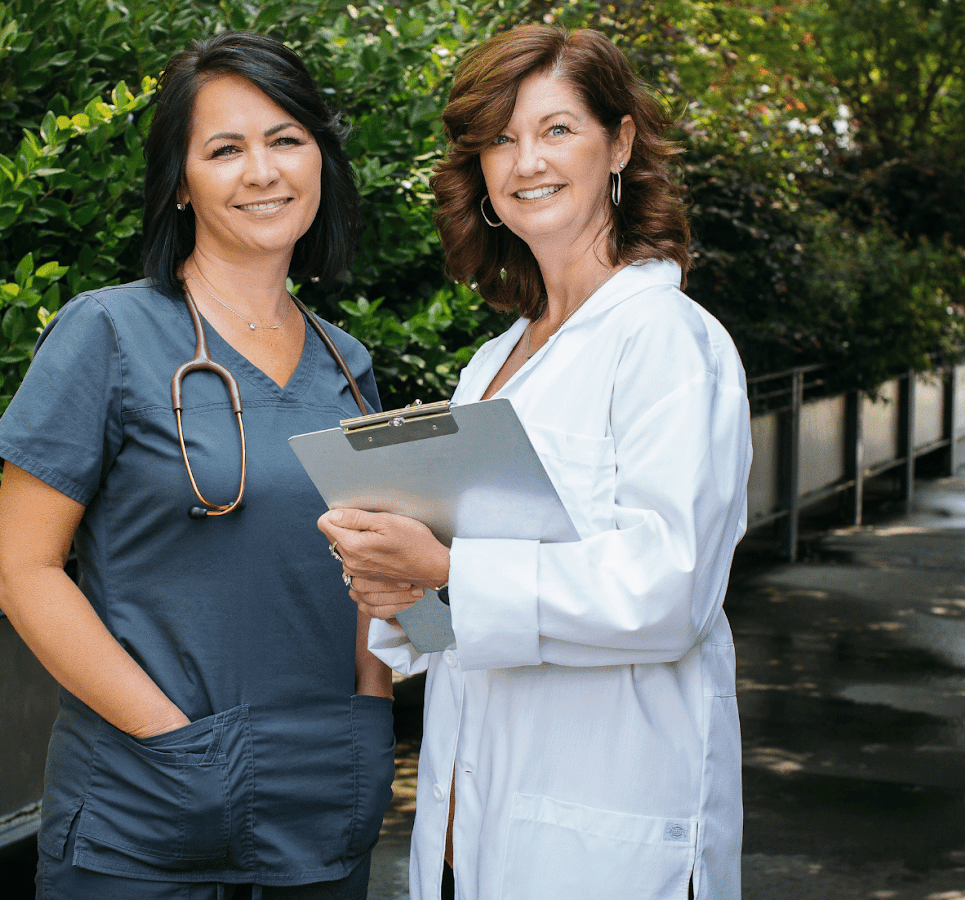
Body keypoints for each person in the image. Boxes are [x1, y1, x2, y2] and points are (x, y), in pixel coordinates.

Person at [317, 25, 751, 900]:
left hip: (607, 817)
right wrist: (403, 589)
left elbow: (670, 590)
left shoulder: (666, 340)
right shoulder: (497, 360)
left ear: (620, 143)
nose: (526, 162)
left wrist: (444, 567)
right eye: (500, 139)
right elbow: (469, 624)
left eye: (557, 130)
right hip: (467, 818)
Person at [0, 31, 395, 900]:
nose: (263, 172)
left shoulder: (348, 365)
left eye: (287, 139)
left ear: (320, 159)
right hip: (144, 812)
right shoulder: (106, 333)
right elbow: (20, 570)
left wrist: (373, 706)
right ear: (180, 182)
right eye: (225, 149)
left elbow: (376, 569)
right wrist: (173, 741)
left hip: (324, 809)